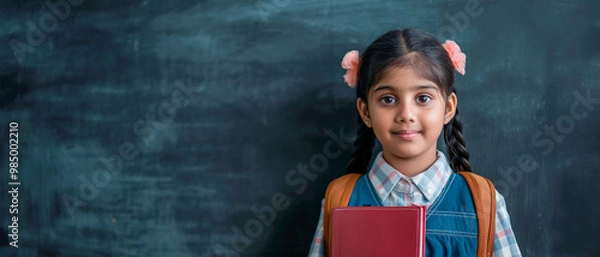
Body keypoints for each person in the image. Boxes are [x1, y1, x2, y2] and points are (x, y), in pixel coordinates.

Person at [307, 28, 522, 257]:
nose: (406, 114)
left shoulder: (484, 202)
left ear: (448, 108)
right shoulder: (340, 199)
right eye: (388, 99)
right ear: (366, 111)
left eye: (423, 98)